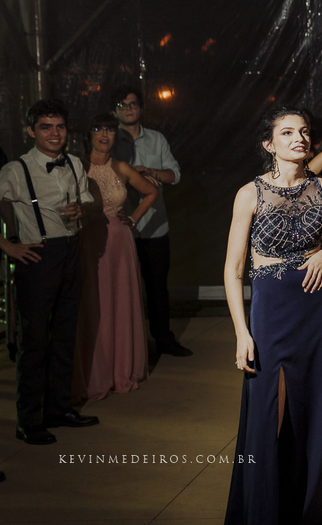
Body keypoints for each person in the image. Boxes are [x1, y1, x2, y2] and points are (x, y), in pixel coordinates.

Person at [222, 107, 322, 525]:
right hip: (270, 310)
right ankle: (262, 512)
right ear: (269, 144)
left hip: (316, 311)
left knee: (315, 409)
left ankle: (312, 511)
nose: (299, 138)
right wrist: (242, 332)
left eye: (305, 132)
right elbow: (234, 269)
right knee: (267, 411)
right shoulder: (250, 193)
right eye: (288, 132)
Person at [0, 100, 99, 445]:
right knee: (35, 341)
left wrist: (80, 210)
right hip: (37, 256)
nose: (54, 133)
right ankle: (28, 419)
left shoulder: (73, 162)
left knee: (64, 334)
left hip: (71, 251)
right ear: (31, 131)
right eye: (46, 126)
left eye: (59, 126)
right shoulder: (16, 169)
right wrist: (7, 245)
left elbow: (86, 200)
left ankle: (58, 409)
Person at [73, 113, 158, 403]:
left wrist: (133, 219)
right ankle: (95, 374)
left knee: (119, 303)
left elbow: (151, 191)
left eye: (109, 130)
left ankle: (121, 370)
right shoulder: (77, 166)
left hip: (119, 241)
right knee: (93, 304)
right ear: (89, 134)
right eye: (98, 128)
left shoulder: (121, 167)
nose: (104, 134)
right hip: (88, 240)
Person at [110, 85, 190, 358]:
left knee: (157, 287)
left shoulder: (156, 139)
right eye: (122, 105)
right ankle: (129, 347)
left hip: (155, 226)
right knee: (122, 290)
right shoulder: (109, 140)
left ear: (141, 108)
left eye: (132, 104)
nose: (128, 109)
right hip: (122, 226)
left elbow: (175, 175)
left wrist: (151, 171)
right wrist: (133, 176)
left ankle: (163, 340)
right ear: (114, 111)